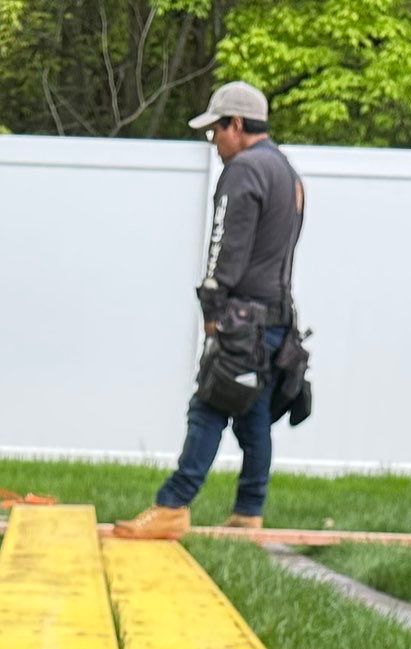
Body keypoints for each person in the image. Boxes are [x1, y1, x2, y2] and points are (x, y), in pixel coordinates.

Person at [112, 82, 305, 541]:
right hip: (277, 317)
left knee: (208, 407)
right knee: (253, 414)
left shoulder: (243, 171)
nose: (214, 143)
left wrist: (213, 309)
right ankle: (249, 509)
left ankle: (172, 505)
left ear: (236, 125)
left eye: (215, 131)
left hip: (241, 319)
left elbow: (226, 248)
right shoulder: (287, 172)